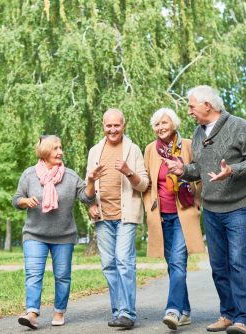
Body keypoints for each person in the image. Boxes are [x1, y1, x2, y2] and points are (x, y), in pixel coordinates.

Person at [165, 86, 246, 334]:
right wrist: (183, 171)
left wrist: (233, 170)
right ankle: (228, 314)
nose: (189, 111)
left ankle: (243, 319)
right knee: (219, 265)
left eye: (191, 106)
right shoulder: (199, 133)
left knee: (238, 263)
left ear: (207, 106)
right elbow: (199, 170)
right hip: (211, 209)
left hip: (239, 207)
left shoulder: (239, 126)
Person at [12, 135, 104, 329]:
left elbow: (87, 198)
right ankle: (32, 314)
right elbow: (17, 199)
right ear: (45, 152)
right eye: (55, 148)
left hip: (63, 236)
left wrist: (90, 181)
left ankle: (59, 311)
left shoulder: (70, 176)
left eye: (60, 148)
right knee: (33, 274)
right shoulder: (29, 175)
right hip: (34, 235)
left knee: (62, 275)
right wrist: (25, 201)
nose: (60, 152)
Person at [86, 108, 149, 329]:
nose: (112, 130)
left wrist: (128, 172)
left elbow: (144, 184)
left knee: (124, 261)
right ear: (103, 126)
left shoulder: (132, 150)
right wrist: (90, 204)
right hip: (102, 216)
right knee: (109, 265)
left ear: (124, 125)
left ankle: (127, 313)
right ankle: (118, 311)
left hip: (126, 215)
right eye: (108, 125)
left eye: (117, 125)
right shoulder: (95, 151)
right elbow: (88, 187)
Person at [143, 108, 206, 330]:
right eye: (157, 124)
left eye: (164, 122)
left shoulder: (187, 145)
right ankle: (185, 310)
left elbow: (200, 171)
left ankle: (172, 310)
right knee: (172, 264)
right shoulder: (151, 149)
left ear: (174, 124)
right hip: (161, 216)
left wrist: (197, 201)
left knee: (178, 261)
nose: (160, 127)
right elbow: (148, 182)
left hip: (184, 212)